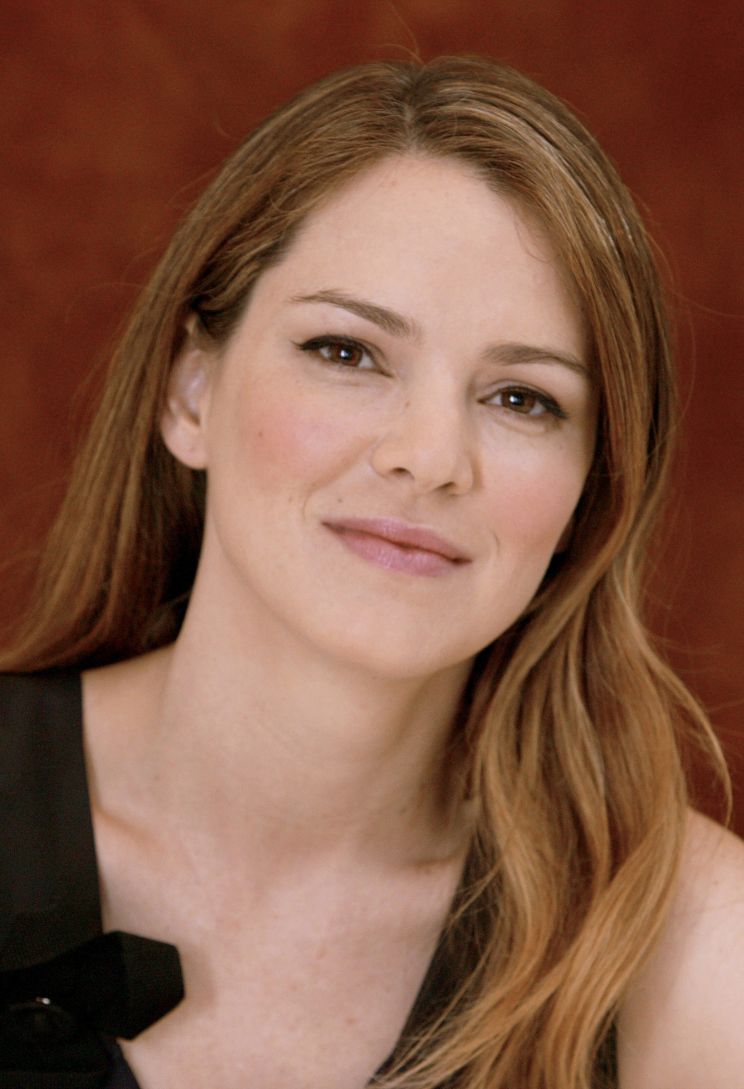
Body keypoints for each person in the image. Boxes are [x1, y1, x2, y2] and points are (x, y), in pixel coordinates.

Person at [1, 55, 743, 1089]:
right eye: (347, 352)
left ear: (590, 496)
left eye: (523, 399)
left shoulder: (698, 949)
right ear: (189, 393)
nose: (429, 457)